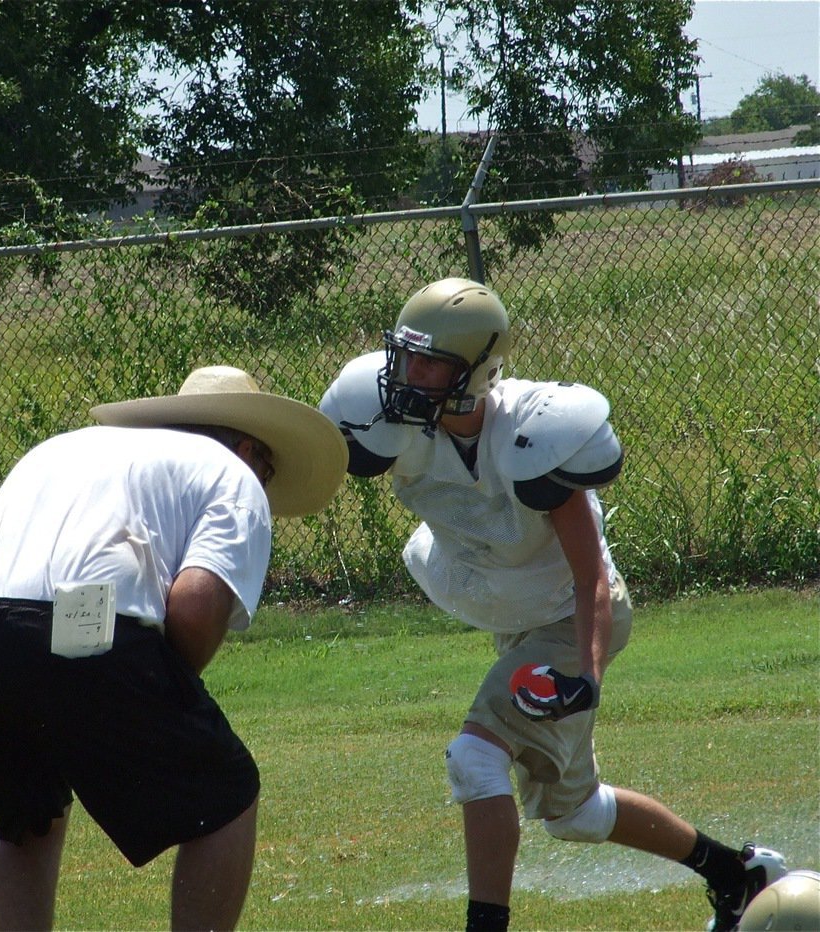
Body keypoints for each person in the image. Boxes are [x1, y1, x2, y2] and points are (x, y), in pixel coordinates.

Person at [318, 277, 788, 932]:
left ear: (478, 370)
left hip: (571, 615)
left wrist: (586, 676)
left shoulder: (535, 433)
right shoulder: (385, 415)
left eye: (432, 362)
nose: (409, 375)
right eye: (406, 355)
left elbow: (592, 574)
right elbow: (306, 470)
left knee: (475, 756)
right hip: (514, 614)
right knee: (576, 816)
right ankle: (736, 873)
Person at [0, 365, 348, 931]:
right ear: (249, 447)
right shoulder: (232, 471)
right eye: (268, 471)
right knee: (227, 797)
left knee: (27, 822)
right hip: (84, 630)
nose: (264, 485)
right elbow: (194, 607)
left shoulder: (64, 449)